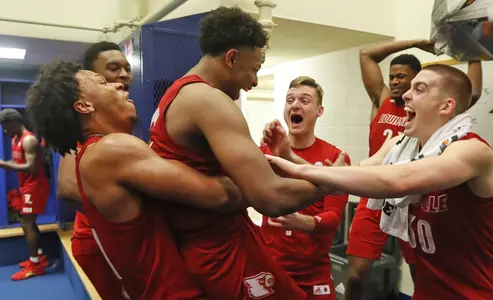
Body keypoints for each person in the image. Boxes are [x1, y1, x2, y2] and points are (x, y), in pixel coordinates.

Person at [265, 64, 493, 300]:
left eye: (419, 89)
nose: (405, 95)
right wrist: (290, 156)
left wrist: (297, 168)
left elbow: (400, 180)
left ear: (446, 106)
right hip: (429, 291)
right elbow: (350, 175)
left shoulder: (471, 151)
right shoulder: (399, 146)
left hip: (478, 292)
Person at [149, 7, 335, 299]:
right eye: (255, 68)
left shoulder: (176, 93)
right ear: (232, 58)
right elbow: (271, 197)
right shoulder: (208, 100)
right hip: (217, 252)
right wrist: (330, 182)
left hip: (208, 243)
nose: (255, 81)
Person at [26, 61, 244, 299]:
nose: (119, 85)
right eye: (103, 83)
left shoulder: (94, 153)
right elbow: (222, 196)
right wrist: (259, 172)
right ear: (84, 106)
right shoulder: (110, 150)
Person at [347, 39, 482, 299]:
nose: (395, 82)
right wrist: (420, 42)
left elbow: (469, 93)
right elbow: (366, 53)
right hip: (376, 191)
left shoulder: (429, 111)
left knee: (420, 269)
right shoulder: (383, 100)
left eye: (402, 77)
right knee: (357, 271)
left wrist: (471, 51)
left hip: (412, 197)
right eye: (392, 76)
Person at [259, 76, 351, 299]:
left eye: (304, 100)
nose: (295, 105)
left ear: (319, 111)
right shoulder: (264, 151)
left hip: (313, 271)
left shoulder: (335, 158)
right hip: (270, 265)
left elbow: (333, 217)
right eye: (290, 100)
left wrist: (305, 223)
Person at [56, 41, 132, 299]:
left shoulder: (119, 116)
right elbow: (67, 189)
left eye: (126, 68)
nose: (123, 75)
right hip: (100, 240)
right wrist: (124, 216)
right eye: (113, 69)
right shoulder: (84, 127)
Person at [0, 109, 50, 281]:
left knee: (27, 222)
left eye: (6, 127)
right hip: (26, 186)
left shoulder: (28, 140)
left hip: (35, 186)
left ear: (14, 122)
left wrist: (4, 165)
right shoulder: (15, 139)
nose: (5, 132)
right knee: (26, 221)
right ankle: (39, 256)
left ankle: (35, 265)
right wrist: (8, 164)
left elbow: (31, 167)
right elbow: (18, 162)